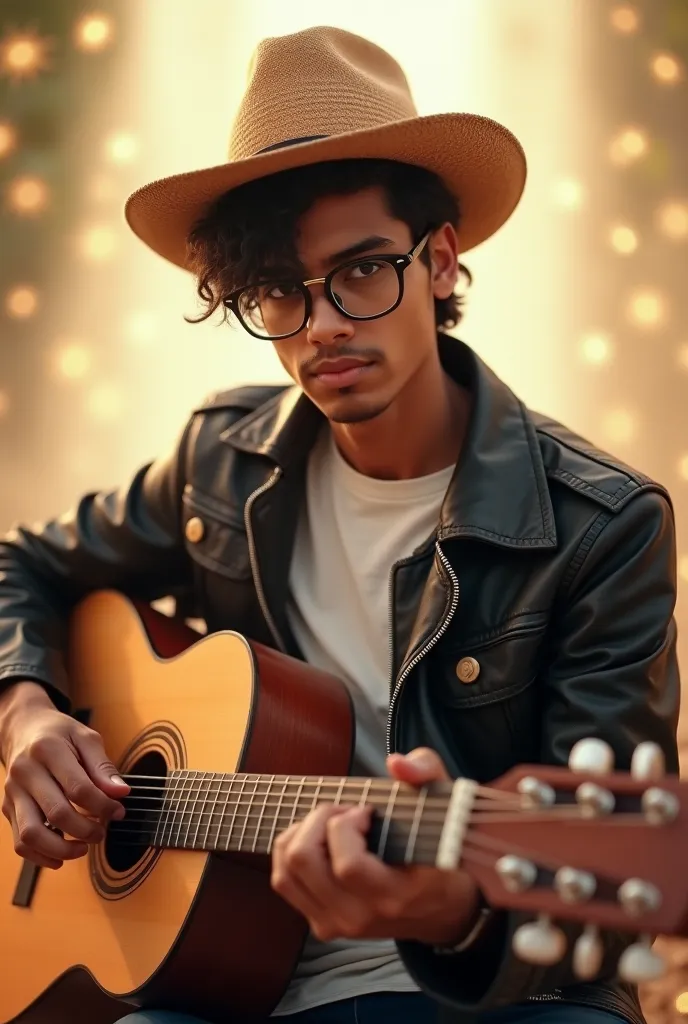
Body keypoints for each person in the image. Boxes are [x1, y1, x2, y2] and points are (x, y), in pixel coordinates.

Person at [0, 24, 679, 1024]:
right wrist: (27, 711)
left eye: (362, 270)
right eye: (279, 290)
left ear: (439, 260)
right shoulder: (220, 462)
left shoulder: (601, 521)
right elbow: (20, 562)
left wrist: (447, 911)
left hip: (501, 1000)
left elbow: (601, 923)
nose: (321, 325)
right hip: (221, 982)